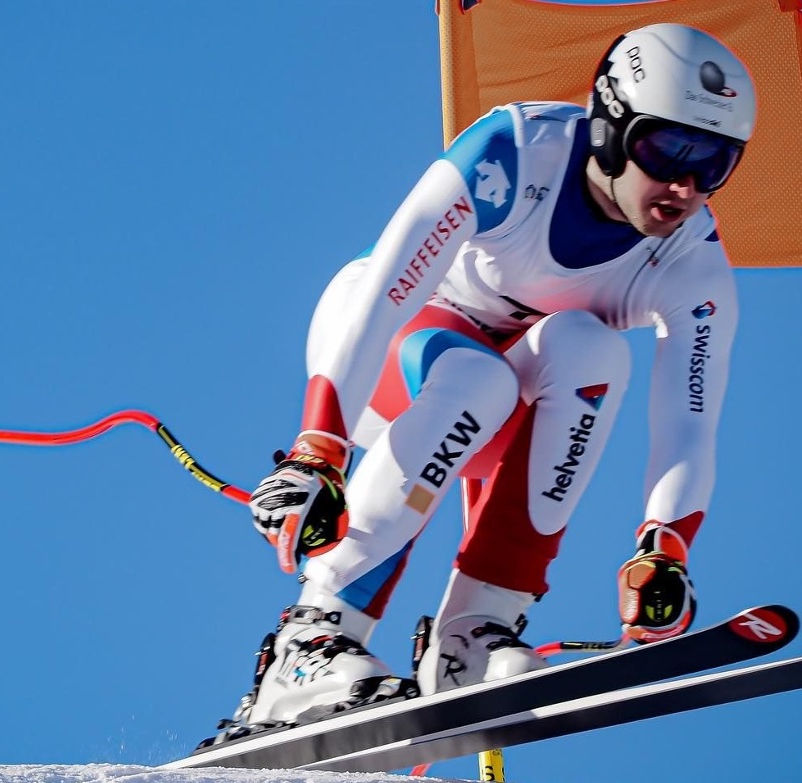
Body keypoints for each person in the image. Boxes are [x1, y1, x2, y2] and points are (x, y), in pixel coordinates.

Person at [232, 22, 756, 731]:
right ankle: (314, 638)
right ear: (609, 124)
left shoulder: (690, 260)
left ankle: (472, 636)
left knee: (595, 352)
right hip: (383, 348)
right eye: (668, 149)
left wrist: (665, 545)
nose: (685, 185)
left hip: (502, 398)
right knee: (481, 381)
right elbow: (384, 292)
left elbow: (690, 421)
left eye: (716, 163)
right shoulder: (517, 152)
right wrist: (317, 444)